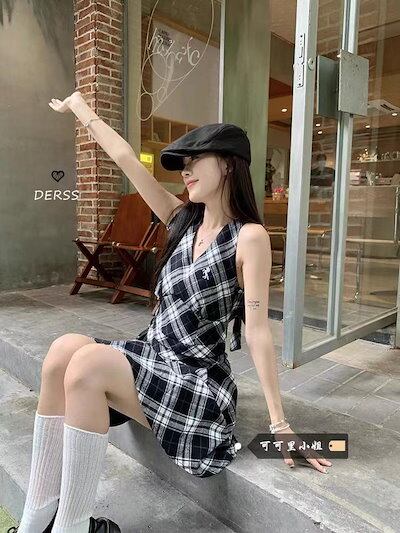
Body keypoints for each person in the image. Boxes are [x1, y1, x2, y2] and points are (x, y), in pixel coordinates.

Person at [12, 90, 332, 533]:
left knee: (87, 362)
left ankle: (72, 527)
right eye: (183, 163)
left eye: (195, 160)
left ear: (228, 164)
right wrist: (81, 106)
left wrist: (279, 425)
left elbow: (257, 330)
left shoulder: (249, 238)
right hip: (156, 360)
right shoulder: (181, 220)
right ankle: (35, 522)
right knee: (63, 350)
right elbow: (125, 159)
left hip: (198, 382)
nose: (185, 170)